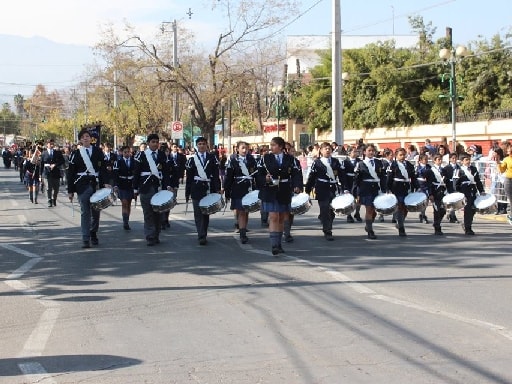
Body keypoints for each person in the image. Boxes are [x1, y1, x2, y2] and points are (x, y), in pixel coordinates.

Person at [256, 137, 302, 255]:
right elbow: (258, 174)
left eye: (273, 145)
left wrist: (297, 185)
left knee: (281, 217)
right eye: (270, 145)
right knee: (273, 216)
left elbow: (296, 173)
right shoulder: (265, 158)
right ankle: (274, 245)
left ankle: (279, 243)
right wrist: (264, 179)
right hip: (270, 190)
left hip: (284, 190)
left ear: (281, 147)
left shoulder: (290, 159)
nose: (271, 147)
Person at [67, 129, 109, 248]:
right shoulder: (75, 153)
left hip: (95, 184)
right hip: (82, 185)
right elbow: (70, 173)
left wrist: (105, 182)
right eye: (83, 137)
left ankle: (93, 232)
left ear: (91, 139)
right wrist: (70, 190)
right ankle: (85, 238)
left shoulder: (98, 151)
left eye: (87, 136)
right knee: (85, 211)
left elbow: (103, 169)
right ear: (80, 140)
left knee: (96, 211)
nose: (85, 138)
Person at [133, 133, 177, 246]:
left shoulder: (162, 155)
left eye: (157, 142)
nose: (155, 144)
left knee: (158, 212)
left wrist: (167, 185)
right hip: (145, 187)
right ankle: (150, 236)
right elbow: (136, 173)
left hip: (158, 187)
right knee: (148, 213)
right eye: (153, 142)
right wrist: (135, 189)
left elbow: (166, 172)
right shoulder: (141, 155)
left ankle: (156, 233)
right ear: (148, 143)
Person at [185, 136, 222, 246]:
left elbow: (216, 175)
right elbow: (189, 178)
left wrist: (218, 188)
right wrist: (188, 192)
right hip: (196, 188)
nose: (201, 146)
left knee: (206, 212)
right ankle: (200, 235)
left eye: (203, 144)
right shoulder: (192, 160)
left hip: (208, 187)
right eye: (199, 144)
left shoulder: (212, 158)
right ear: (196, 146)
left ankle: (204, 233)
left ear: (207, 145)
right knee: (198, 213)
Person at [305, 142, 344, 241]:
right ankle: (327, 231)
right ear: (321, 151)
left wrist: (345, 188)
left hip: (333, 188)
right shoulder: (317, 162)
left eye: (329, 148)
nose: (327, 150)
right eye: (325, 149)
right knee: (325, 208)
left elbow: (342, 176)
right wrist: (307, 190)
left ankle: (325, 221)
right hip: (322, 188)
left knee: (332, 211)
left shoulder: (335, 162)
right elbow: (312, 177)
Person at [223, 141, 258, 244]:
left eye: (246, 148)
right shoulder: (233, 161)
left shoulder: (252, 160)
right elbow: (229, 177)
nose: (244, 150)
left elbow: (256, 174)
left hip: (249, 187)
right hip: (238, 187)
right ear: (237, 149)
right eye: (242, 148)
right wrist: (227, 190)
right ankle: (243, 234)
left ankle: (243, 228)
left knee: (246, 211)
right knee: (242, 211)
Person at [354, 144, 387, 240]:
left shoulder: (379, 162)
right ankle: (370, 231)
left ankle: (368, 226)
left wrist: (384, 190)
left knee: (374, 211)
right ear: (364, 152)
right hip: (365, 189)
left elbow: (383, 177)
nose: (371, 152)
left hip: (376, 189)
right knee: (369, 209)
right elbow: (357, 179)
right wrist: (356, 192)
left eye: (373, 150)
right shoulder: (361, 164)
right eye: (369, 150)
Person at [386, 147, 417, 237]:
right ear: (396, 156)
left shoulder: (409, 165)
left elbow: (413, 178)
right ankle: (401, 228)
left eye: (404, 155)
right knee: (400, 206)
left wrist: (415, 187)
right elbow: (389, 178)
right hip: (397, 188)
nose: (403, 156)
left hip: (406, 188)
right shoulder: (393, 165)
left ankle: (400, 222)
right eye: (401, 155)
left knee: (406, 207)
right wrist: (388, 189)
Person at [455, 154, 485, 235]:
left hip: (473, 191)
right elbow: (456, 183)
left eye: (469, 159)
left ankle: (467, 224)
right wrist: (458, 192)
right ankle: (468, 227)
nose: (468, 161)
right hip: (465, 192)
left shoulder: (473, 169)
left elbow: (478, 181)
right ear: (462, 161)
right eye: (466, 160)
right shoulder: (459, 170)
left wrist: (481, 190)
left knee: (473, 209)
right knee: (467, 209)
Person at [282, 142, 304, 242]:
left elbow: (298, 174)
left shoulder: (294, 161)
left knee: (290, 211)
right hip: (278, 188)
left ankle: (287, 232)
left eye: (289, 149)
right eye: (285, 149)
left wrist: (298, 186)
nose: (287, 151)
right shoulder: (273, 159)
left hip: (290, 187)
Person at [425, 154, 448, 235]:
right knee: (437, 210)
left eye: (441, 159)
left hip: (443, 191)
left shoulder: (444, 170)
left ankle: (436, 223)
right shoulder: (430, 171)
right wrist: (430, 194)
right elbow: (429, 183)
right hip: (435, 191)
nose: (440, 161)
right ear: (434, 161)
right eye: (438, 159)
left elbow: (447, 182)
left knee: (443, 210)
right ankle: (437, 227)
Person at [113, 146, 135, 230]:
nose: (127, 154)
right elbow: (115, 175)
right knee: (124, 202)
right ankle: (125, 221)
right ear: (122, 153)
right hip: (122, 184)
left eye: (128, 152)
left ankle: (127, 220)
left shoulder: (133, 161)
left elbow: (136, 173)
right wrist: (115, 185)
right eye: (125, 152)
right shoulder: (118, 162)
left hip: (131, 184)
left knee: (129, 203)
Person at [41, 139, 65, 207]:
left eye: (52, 144)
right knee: (48, 188)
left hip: (56, 173)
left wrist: (55, 164)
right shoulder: (44, 153)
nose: (51, 145)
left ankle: (54, 199)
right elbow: (41, 164)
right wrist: (40, 175)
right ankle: (49, 200)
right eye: (50, 144)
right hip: (47, 173)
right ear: (47, 145)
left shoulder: (57, 152)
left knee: (56, 188)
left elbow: (62, 161)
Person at [342, 148, 362, 223]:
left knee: (359, 198)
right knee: (350, 199)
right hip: (349, 181)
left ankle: (357, 213)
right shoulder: (345, 162)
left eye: (356, 151)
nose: (355, 153)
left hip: (357, 181)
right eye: (354, 152)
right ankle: (349, 215)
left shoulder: (359, 161)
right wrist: (344, 186)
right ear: (349, 153)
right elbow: (343, 174)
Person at [495, 143, 512, 224]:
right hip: (509, 180)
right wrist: (498, 162)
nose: (509, 152)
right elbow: (502, 170)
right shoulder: (506, 159)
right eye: (508, 150)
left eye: (510, 150)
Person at [444, 153, 461, 223]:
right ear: (450, 159)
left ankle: (452, 214)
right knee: (451, 201)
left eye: (455, 158)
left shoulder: (459, 167)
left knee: (454, 201)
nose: (454, 160)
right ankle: (452, 215)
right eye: (453, 158)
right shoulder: (447, 168)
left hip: (456, 186)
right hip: (449, 185)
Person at [415, 154, 430, 224]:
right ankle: (423, 215)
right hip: (420, 186)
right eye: (424, 159)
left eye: (427, 159)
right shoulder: (418, 167)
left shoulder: (429, 167)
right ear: (420, 160)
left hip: (427, 185)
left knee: (426, 201)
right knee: (423, 201)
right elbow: (415, 177)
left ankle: (422, 213)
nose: (426, 161)